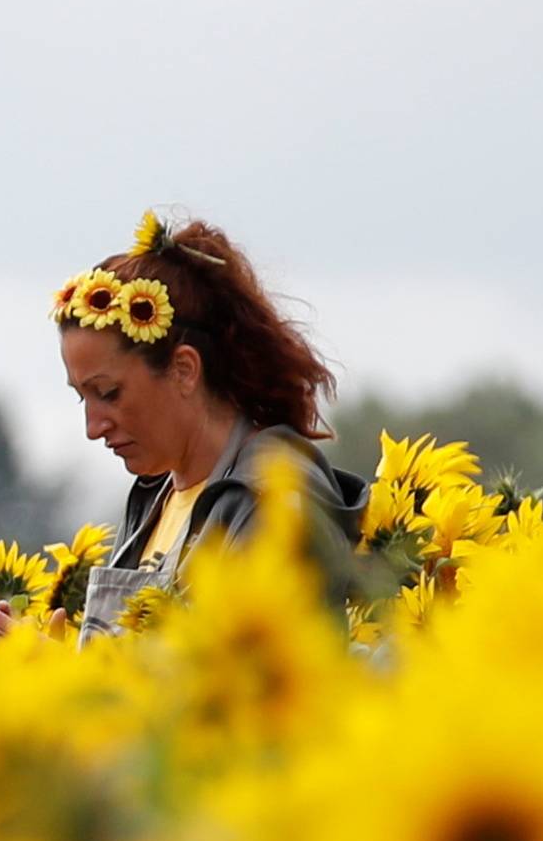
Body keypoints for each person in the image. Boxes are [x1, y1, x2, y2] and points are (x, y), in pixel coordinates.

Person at [51, 213, 367, 638]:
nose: (93, 426)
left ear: (183, 369)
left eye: (108, 393)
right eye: (81, 396)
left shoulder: (273, 502)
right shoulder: (155, 500)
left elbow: (253, 690)